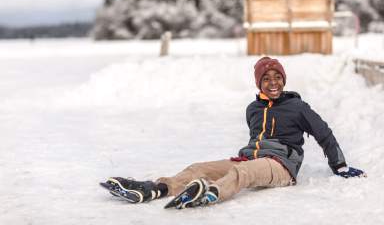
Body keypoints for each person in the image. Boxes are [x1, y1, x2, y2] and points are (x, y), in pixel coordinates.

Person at [100, 56, 366, 209]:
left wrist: (339, 165)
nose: (273, 83)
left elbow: (324, 134)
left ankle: (208, 192)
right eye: (267, 79)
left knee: (242, 174)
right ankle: (157, 189)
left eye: (277, 78)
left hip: (281, 166)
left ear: (284, 81)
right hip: (250, 158)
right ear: (259, 83)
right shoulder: (253, 109)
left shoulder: (297, 107)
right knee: (197, 167)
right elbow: (255, 139)